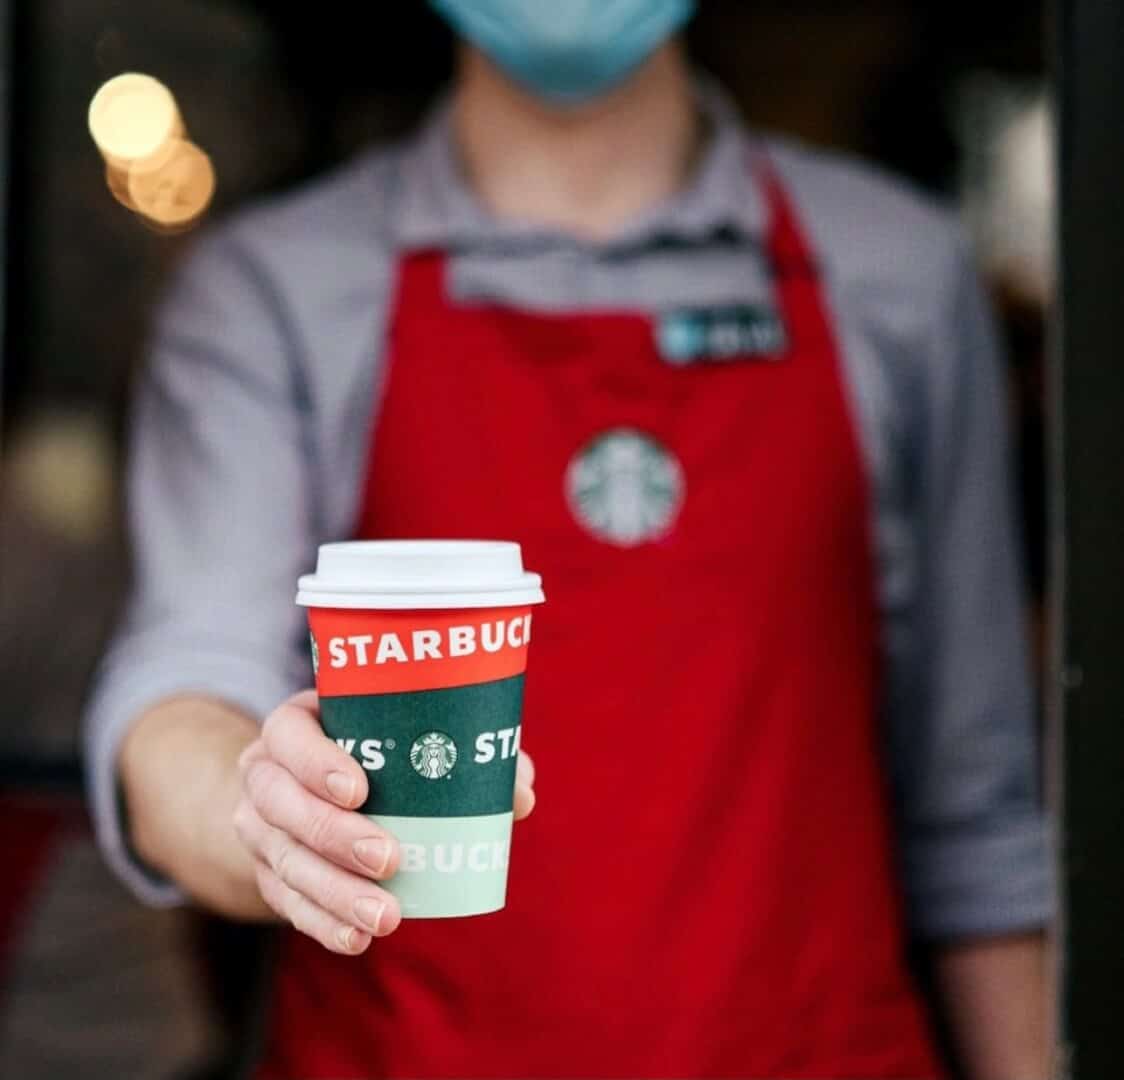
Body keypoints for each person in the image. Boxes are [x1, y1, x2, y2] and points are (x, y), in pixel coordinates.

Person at [85, 2, 1053, 1077]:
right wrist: (267, 814)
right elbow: (190, 676)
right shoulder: (274, 288)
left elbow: (975, 816)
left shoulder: (898, 272)